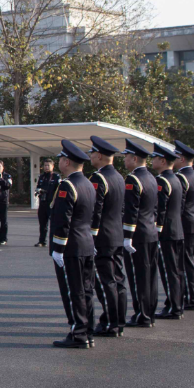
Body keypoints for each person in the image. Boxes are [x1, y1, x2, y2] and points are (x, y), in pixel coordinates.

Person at [48, 140, 97, 348]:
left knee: (73, 291)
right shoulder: (88, 183)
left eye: (61, 158)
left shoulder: (67, 185)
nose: (59, 161)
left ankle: (78, 333)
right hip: (86, 243)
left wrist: (58, 248)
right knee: (86, 290)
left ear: (67, 162)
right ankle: (88, 331)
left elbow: (62, 220)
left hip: (71, 247)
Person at [87, 136, 126, 337]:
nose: (90, 156)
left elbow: (96, 211)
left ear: (100, 155)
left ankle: (111, 323)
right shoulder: (119, 176)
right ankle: (118, 321)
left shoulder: (98, 178)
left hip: (103, 236)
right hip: (116, 234)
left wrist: (92, 237)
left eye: (92, 153)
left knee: (106, 281)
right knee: (118, 280)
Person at [120, 138, 159, 326]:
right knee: (150, 276)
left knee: (138, 277)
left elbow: (131, 211)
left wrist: (127, 237)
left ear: (134, 158)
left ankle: (142, 315)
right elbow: (155, 208)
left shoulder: (133, 179)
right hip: (150, 232)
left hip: (138, 235)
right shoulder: (151, 177)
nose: (124, 160)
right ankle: (149, 312)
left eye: (126, 156)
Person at [151, 142, 185, 319]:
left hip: (166, 232)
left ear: (163, 161)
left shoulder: (162, 181)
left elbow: (160, 209)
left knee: (168, 271)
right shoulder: (177, 179)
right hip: (177, 229)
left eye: (155, 158)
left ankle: (174, 307)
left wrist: (157, 231)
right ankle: (176, 304)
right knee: (176, 270)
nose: (152, 161)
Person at [171, 141, 194, 310]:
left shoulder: (181, 177)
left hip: (185, 222)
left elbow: (180, 204)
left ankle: (192, 298)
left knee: (187, 262)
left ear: (182, 159)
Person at [34, 158, 60, 246]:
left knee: (53, 224)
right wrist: (38, 191)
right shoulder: (41, 177)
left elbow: (59, 190)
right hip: (42, 203)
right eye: (45, 165)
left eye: (48, 165)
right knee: (42, 224)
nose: (46, 167)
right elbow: (38, 187)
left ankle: (54, 241)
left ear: (52, 166)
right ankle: (42, 241)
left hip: (52, 204)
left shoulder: (56, 177)